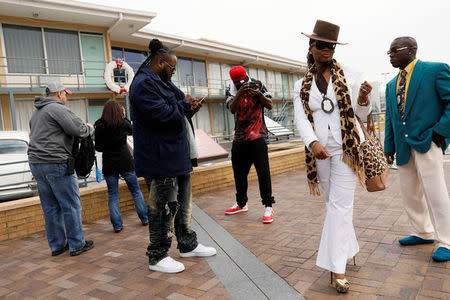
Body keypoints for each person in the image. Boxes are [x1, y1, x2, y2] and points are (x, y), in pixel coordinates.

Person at [294, 20, 372, 293]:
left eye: (331, 46)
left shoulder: (350, 74)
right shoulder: (301, 83)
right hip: (320, 153)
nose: (327, 50)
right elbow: (301, 118)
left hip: (347, 150)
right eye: (322, 45)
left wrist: (363, 98)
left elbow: (360, 115)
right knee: (334, 207)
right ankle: (349, 247)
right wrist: (312, 142)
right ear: (312, 47)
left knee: (341, 208)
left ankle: (337, 269)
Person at [129, 39, 216, 274]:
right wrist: (185, 106)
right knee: (163, 207)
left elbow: (180, 101)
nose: (174, 71)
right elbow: (162, 114)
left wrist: (190, 105)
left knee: (183, 204)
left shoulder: (162, 82)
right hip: (161, 158)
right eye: (172, 67)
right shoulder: (143, 84)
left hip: (178, 155)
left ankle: (187, 244)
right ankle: (157, 255)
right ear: (159, 62)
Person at [384, 36, 450, 262]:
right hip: (403, 146)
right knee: (410, 192)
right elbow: (392, 120)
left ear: (411, 50)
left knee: (436, 192)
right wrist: (389, 146)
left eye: (394, 50)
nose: (390, 55)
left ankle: (447, 241)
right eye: (389, 51)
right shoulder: (391, 85)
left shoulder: (435, 70)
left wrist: (441, 130)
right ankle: (423, 232)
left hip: (427, 141)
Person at [28, 80, 94, 257]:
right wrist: (89, 128)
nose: (66, 97)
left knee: (50, 208)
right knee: (71, 206)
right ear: (59, 94)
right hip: (56, 163)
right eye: (65, 94)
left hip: (37, 164)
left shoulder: (37, 112)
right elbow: (78, 129)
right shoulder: (57, 108)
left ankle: (57, 246)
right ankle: (76, 244)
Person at [224, 66, 276, 224]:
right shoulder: (231, 89)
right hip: (239, 139)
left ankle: (268, 206)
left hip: (258, 136)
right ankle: (241, 203)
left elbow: (269, 105)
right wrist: (239, 93)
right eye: (239, 84)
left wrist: (259, 94)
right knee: (239, 174)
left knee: (263, 173)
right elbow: (232, 109)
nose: (243, 85)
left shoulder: (257, 83)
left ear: (247, 77)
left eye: (244, 82)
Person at [94, 100, 148, 233]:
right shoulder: (123, 123)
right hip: (125, 160)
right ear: (120, 111)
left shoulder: (99, 126)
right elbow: (133, 131)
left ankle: (117, 225)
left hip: (109, 163)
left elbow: (98, 147)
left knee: (113, 194)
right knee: (135, 191)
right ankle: (144, 218)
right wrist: (124, 117)